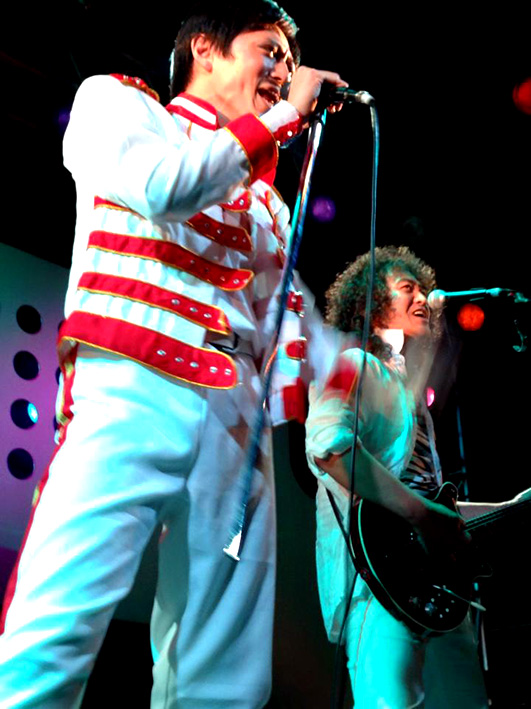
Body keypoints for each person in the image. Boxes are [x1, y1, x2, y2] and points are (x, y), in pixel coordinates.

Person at [0, 2, 348, 706]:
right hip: (131, 392)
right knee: (56, 627)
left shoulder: (265, 203)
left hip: (234, 426)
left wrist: (361, 367)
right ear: (205, 49)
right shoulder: (118, 104)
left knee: (224, 666)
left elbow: (292, 319)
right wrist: (284, 120)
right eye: (269, 50)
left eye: (288, 61)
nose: (283, 73)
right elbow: (164, 186)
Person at [305, 245, 529, 707]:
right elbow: (328, 446)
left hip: (437, 587)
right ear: (370, 304)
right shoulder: (352, 365)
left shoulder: (411, 395)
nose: (423, 298)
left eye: (424, 289)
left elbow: (430, 500)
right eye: (407, 288)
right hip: (378, 585)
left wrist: (509, 511)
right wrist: (422, 516)